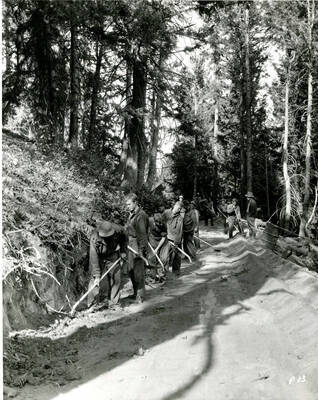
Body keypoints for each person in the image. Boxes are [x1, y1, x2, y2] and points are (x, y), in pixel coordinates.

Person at [88, 221, 128, 308]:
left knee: (116, 277)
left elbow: (124, 237)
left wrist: (123, 251)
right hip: (99, 257)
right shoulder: (94, 237)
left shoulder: (118, 229)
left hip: (113, 254)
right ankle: (92, 304)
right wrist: (97, 275)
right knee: (94, 280)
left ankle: (114, 302)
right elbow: (94, 258)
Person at [125, 193, 149, 303]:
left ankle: (140, 296)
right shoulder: (131, 214)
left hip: (137, 246)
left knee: (138, 271)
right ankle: (135, 293)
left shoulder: (141, 215)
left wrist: (141, 250)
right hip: (130, 245)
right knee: (131, 271)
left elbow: (143, 235)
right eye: (126, 204)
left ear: (135, 203)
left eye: (129, 204)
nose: (127, 206)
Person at [162, 201, 184, 276]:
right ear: (174, 205)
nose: (178, 210)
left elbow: (179, 231)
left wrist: (177, 243)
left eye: (180, 209)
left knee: (177, 256)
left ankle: (176, 271)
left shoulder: (180, 218)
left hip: (175, 239)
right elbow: (160, 222)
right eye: (178, 208)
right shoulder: (166, 213)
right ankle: (165, 272)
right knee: (165, 256)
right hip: (166, 238)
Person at [148, 212, 168, 277]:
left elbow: (163, 238)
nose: (161, 224)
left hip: (162, 239)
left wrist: (157, 249)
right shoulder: (149, 221)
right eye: (159, 223)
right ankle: (153, 274)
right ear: (154, 222)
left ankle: (161, 273)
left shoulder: (164, 225)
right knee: (152, 257)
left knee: (164, 258)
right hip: (152, 238)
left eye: (162, 223)